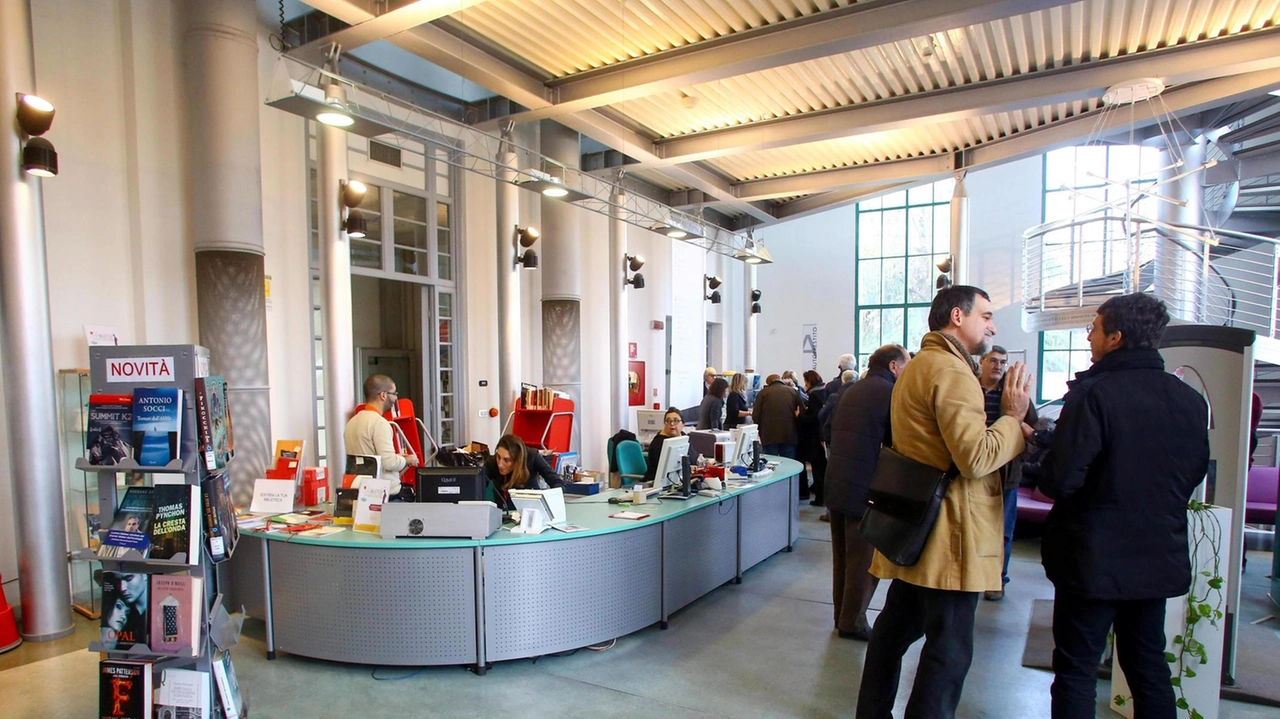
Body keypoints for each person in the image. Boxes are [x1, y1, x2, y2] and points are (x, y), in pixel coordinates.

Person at [856, 285, 1031, 719]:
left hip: (920, 527)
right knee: (949, 653)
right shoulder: (951, 372)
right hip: (949, 536)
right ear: (958, 315)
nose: (992, 325)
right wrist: (1012, 421)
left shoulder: (918, 366)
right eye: (986, 315)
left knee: (892, 634)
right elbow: (974, 458)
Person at [1037, 293, 1209, 719]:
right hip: (1155, 555)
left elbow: (1062, 479)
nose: (1088, 336)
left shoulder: (1094, 394)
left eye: (1093, 328)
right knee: (1147, 664)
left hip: (1092, 558)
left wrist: (1044, 456)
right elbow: (1193, 472)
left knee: (1076, 667)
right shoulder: (1189, 400)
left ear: (1115, 337)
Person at [825, 344, 909, 640]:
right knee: (864, 561)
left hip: (837, 483)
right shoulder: (891, 394)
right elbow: (899, 440)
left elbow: (829, 429)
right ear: (893, 367)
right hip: (865, 487)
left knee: (842, 559)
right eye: (906, 366)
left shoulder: (851, 390)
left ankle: (842, 616)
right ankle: (853, 622)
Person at [978, 345, 1038, 601]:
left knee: (1003, 530)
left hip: (1006, 474)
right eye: (993, 361)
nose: (998, 366)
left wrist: (1018, 456)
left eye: (1002, 362)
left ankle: (997, 579)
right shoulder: (970, 389)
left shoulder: (1013, 394)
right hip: (976, 470)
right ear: (982, 362)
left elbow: (1032, 428)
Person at [344, 374, 419, 498]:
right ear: (383, 395)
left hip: (361, 491)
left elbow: (370, 457)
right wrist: (408, 459)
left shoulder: (352, 422)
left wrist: (398, 456)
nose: (395, 398)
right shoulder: (380, 423)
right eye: (394, 393)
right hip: (384, 495)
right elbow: (389, 463)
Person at [480, 434, 565, 510]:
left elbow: (557, 482)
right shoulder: (492, 462)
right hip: (503, 514)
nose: (500, 464)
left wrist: (551, 505)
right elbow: (477, 488)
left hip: (531, 511)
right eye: (498, 457)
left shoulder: (532, 457)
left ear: (517, 460)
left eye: (507, 460)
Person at [753, 373, 805, 493]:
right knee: (790, 465)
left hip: (769, 435)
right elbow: (802, 411)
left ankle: (773, 491)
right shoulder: (792, 391)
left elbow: (756, 416)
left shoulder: (763, 393)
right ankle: (788, 491)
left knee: (770, 464)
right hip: (789, 434)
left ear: (768, 383)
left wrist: (759, 430)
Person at [796, 370, 827, 506]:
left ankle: (820, 498)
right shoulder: (825, 391)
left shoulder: (814, 395)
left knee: (817, 469)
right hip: (822, 435)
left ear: (809, 381)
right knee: (822, 467)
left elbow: (813, 417)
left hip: (813, 437)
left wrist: (799, 415)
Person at [644, 407, 686, 485]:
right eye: (668, 421)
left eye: (676, 421)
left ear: (683, 423)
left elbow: (694, 457)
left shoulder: (683, 437)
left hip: (676, 481)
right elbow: (666, 468)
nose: (672, 424)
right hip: (657, 484)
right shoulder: (659, 443)